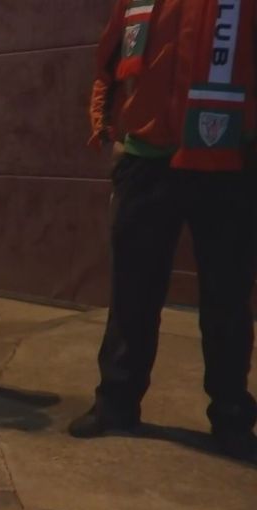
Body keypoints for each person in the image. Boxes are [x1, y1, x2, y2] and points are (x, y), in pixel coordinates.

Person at [72, 0, 256, 461]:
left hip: (228, 164)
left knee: (227, 299)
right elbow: (109, 64)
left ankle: (232, 417)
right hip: (146, 163)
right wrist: (108, 130)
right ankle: (116, 403)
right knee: (132, 292)